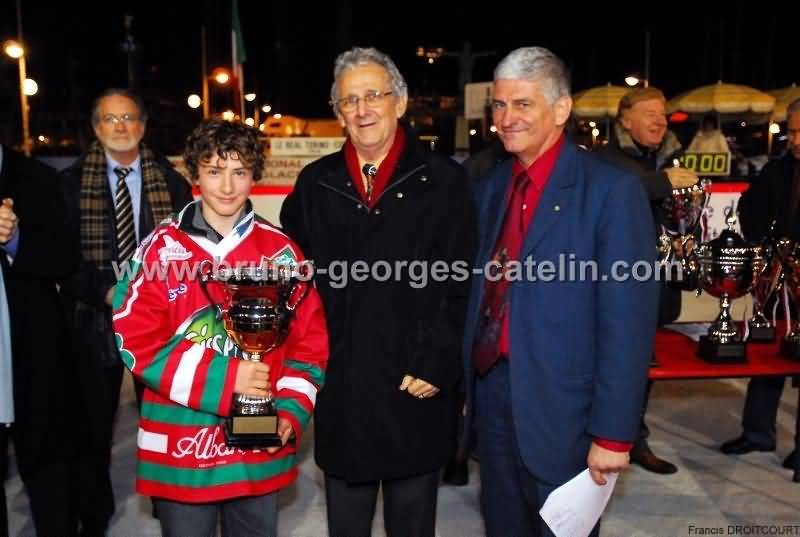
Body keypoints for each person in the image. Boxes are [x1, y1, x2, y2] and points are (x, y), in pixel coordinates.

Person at [462, 46, 659, 537]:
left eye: (523, 104)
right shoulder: (491, 187)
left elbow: (628, 325)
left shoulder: (612, 191)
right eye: (500, 105)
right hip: (494, 398)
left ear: (562, 109)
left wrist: (614, 432)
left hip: (567, 413)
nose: (506, 118)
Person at [280, 46, 476, 537]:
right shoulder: (315, 183)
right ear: (338, 112)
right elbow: (294, 279)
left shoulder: (444, 180)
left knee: (412, 522)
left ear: (400, 102)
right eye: (349, 100)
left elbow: (463, 279)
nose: (362, 109)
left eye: (374, 95)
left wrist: (438, 360)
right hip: (342, 385)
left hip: (415, 382)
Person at [112, 119, 328, 537]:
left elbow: (309, 344)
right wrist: (230, 379)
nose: (227, 186)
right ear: (194, 174)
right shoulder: (158, 249)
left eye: (239, 171)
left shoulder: (282, 252)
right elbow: (136, 338)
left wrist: (291, 409)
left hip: (256, 446)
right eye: (214, 171)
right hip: (182, 447)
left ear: (254, 175)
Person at [59, 88, 193, 537]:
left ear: (143, 125)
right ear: (95, 128)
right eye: (110, 119)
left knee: (163, 418)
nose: (120, 127)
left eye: (129, 118)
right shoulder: (70, 184)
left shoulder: (171, 182)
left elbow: (184, 249)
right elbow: (61, 257)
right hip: (93, 320)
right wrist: (106, 291)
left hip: (157, 322)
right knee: (92, 428)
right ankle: (94, 515)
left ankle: (170, 505)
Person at [595, 86, 699, 475]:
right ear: (625, 120)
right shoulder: (603, 160)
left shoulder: (670, 159)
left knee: (643, 369)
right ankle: (611, 437)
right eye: (650, 113)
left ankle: (633, 438)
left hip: (659, 282)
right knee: (616, 366)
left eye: (663, 114)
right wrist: (661, 183)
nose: (660, 121)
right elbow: (607, 200)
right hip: (620, 285)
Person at [0, 144, 78, 537]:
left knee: (49, 474)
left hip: (33, 358)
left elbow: (65, 258)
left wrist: (14, 240)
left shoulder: (38, 177)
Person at [720, 98, 800, 470]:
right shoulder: (777, 169)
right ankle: (757, 433)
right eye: (792, 131)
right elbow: (749, 208)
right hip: (776, 276)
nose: (795, 140)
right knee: (767, 352)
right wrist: (764, 246)